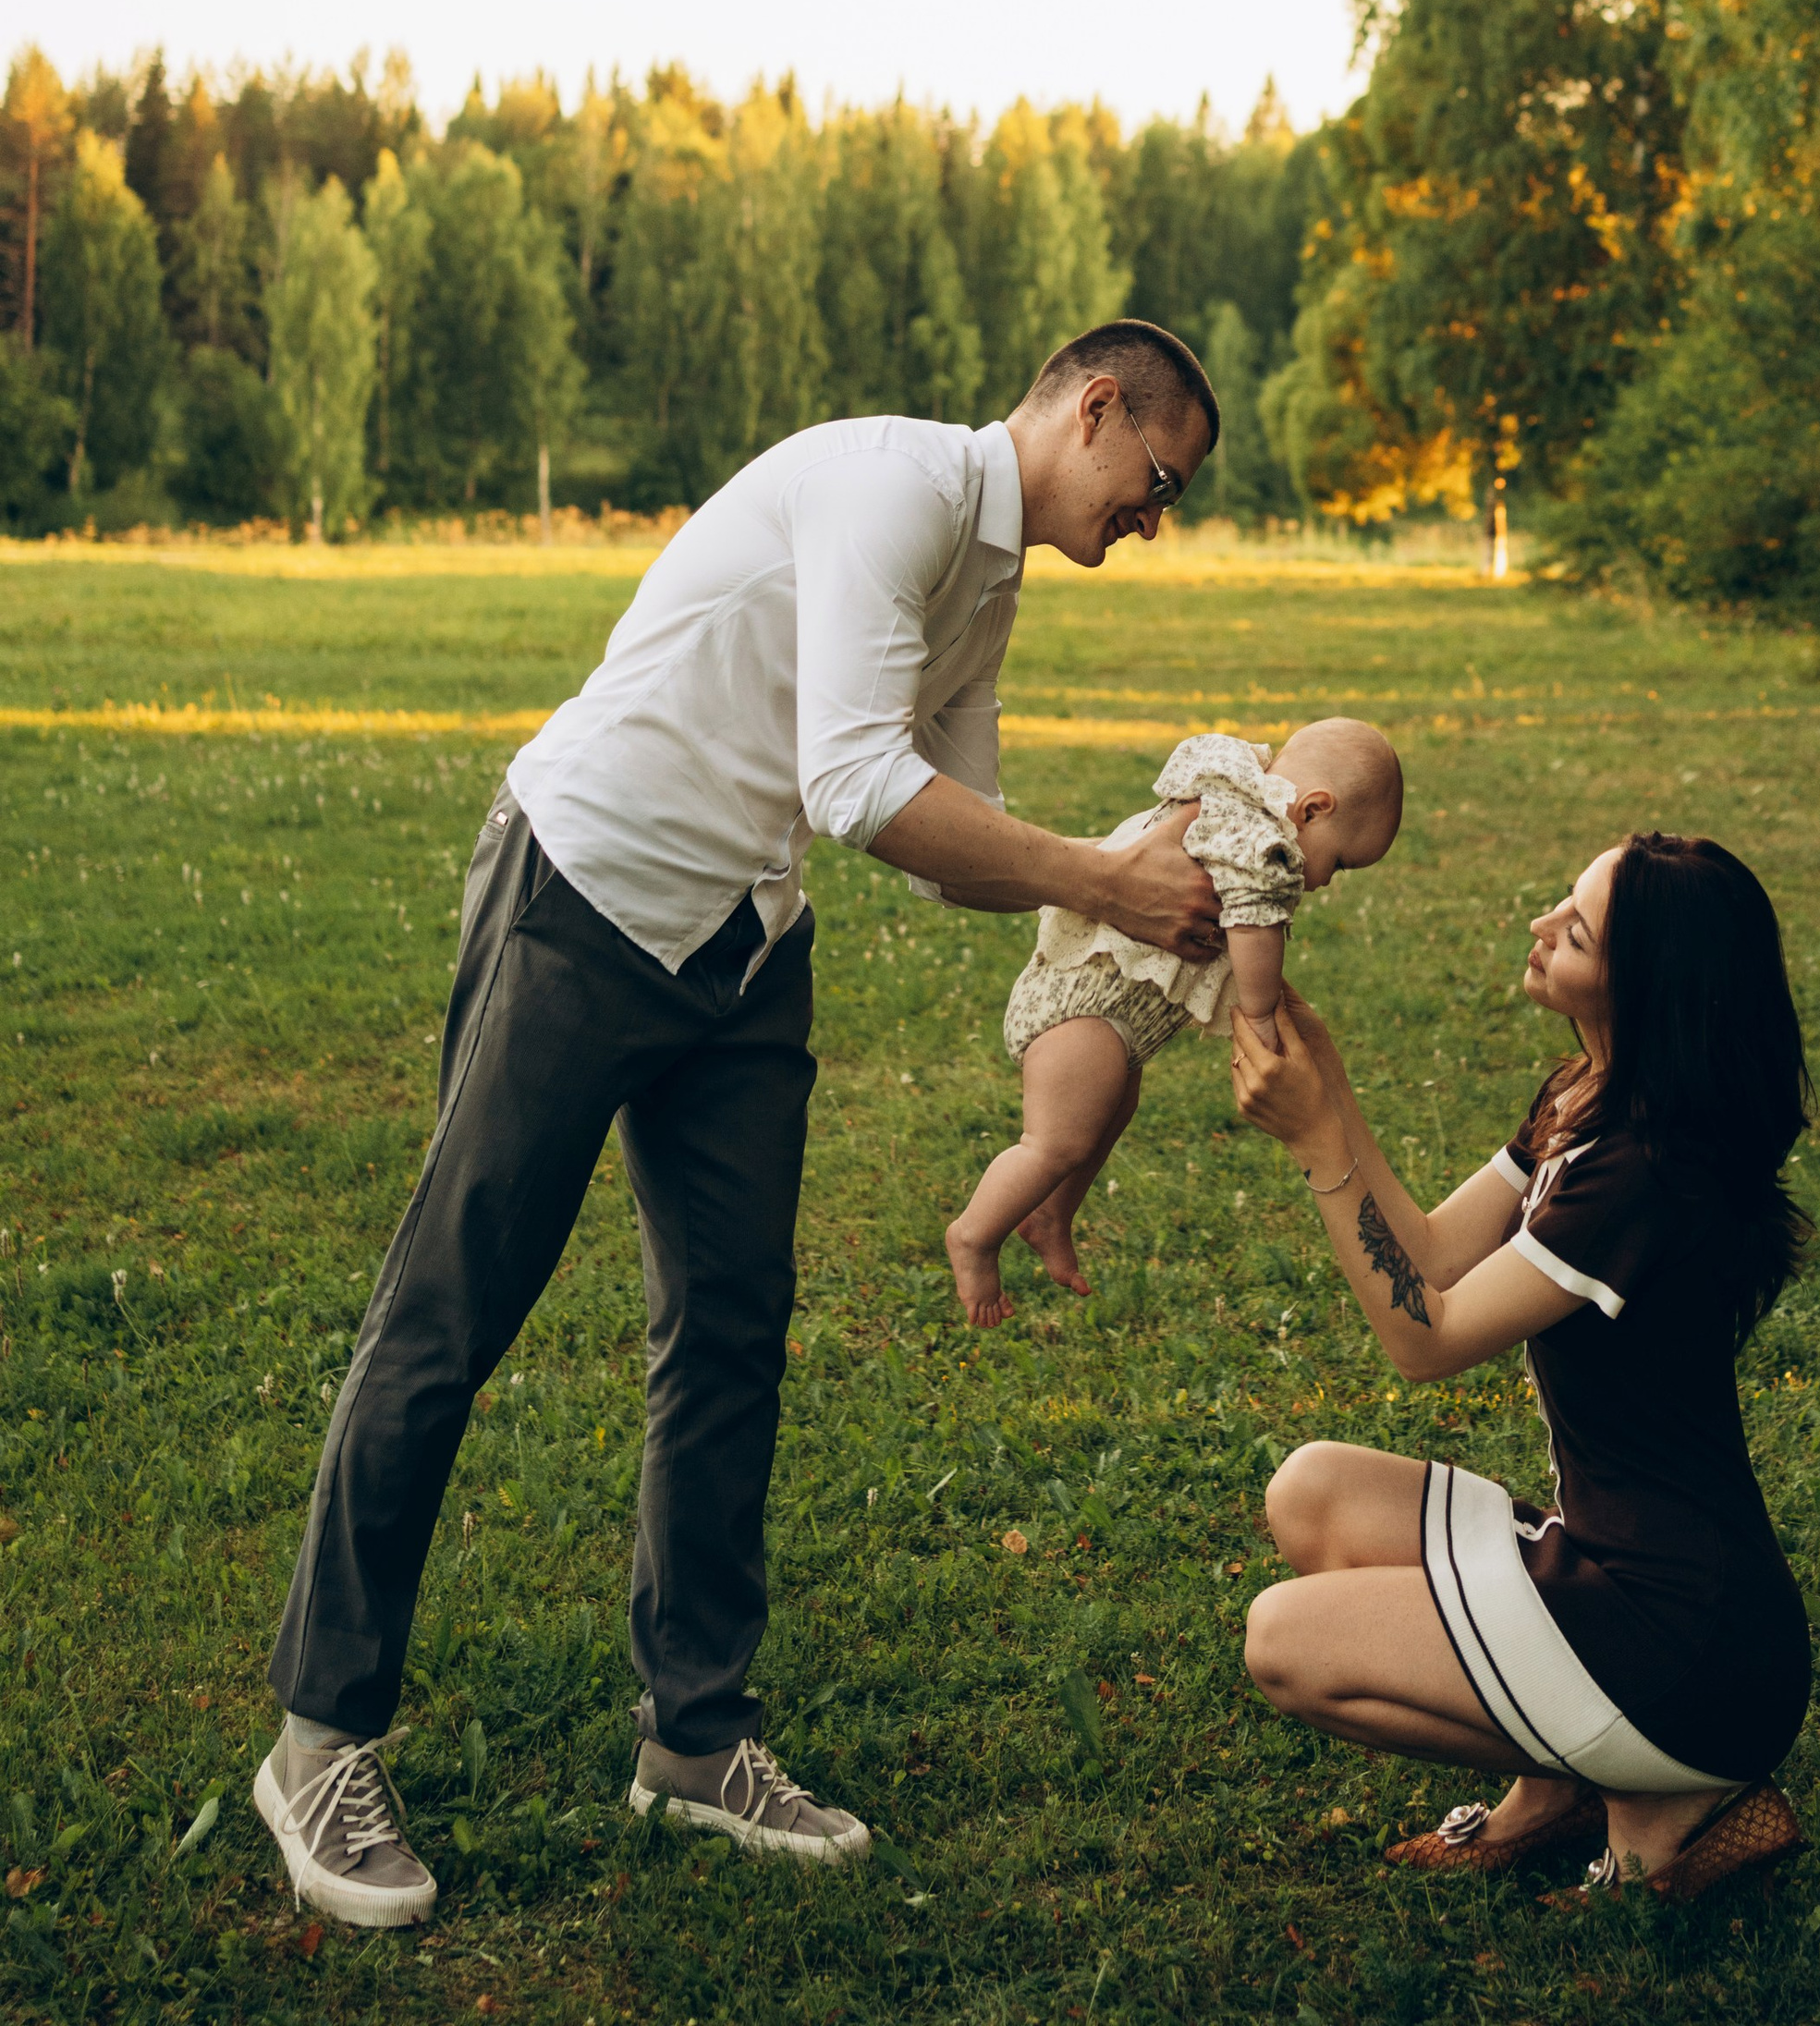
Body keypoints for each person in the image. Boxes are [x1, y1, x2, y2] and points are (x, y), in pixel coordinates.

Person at [253, 323, 1224, 1933]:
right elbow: (855, 783)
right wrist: (1099, 875)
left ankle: (695, 1740)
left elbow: (938, 849)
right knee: (451, 1313)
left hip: (741, 947)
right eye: (1159, 479)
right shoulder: (896, 487)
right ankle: (319, 1742)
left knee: (730, 1334)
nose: (1154, 514)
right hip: (587, 890)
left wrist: (1136, 885)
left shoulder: (991, 579)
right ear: (1094, 405)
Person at [1231, 830, 1814, 1907]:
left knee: (1283, 1642)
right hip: (1618, 1571)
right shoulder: (1587, 1100)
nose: (1541, 924)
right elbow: (1438, 1256)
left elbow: (1427, 1337)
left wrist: (1320, 1148)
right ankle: (1567, 1784)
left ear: (1642, 987)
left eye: (1577, 928)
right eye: (1564, 899)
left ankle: (1666, 1798)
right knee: (1312, 1491)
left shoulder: (1648, 1175)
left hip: (1687, 1643)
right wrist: (1334, 1090)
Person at [945, 719, 1404, 1328]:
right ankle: (975, 1236)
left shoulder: (1233, 793)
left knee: (1113, 1105)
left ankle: (1050, 1214)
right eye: (1340, 863)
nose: (1321, 881)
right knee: (1055, 1142)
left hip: (1108, 1010)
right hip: (1085, 1000)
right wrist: (1261, 1016)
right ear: (1315, 809)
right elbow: (1252, 928)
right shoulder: (1258, 837)